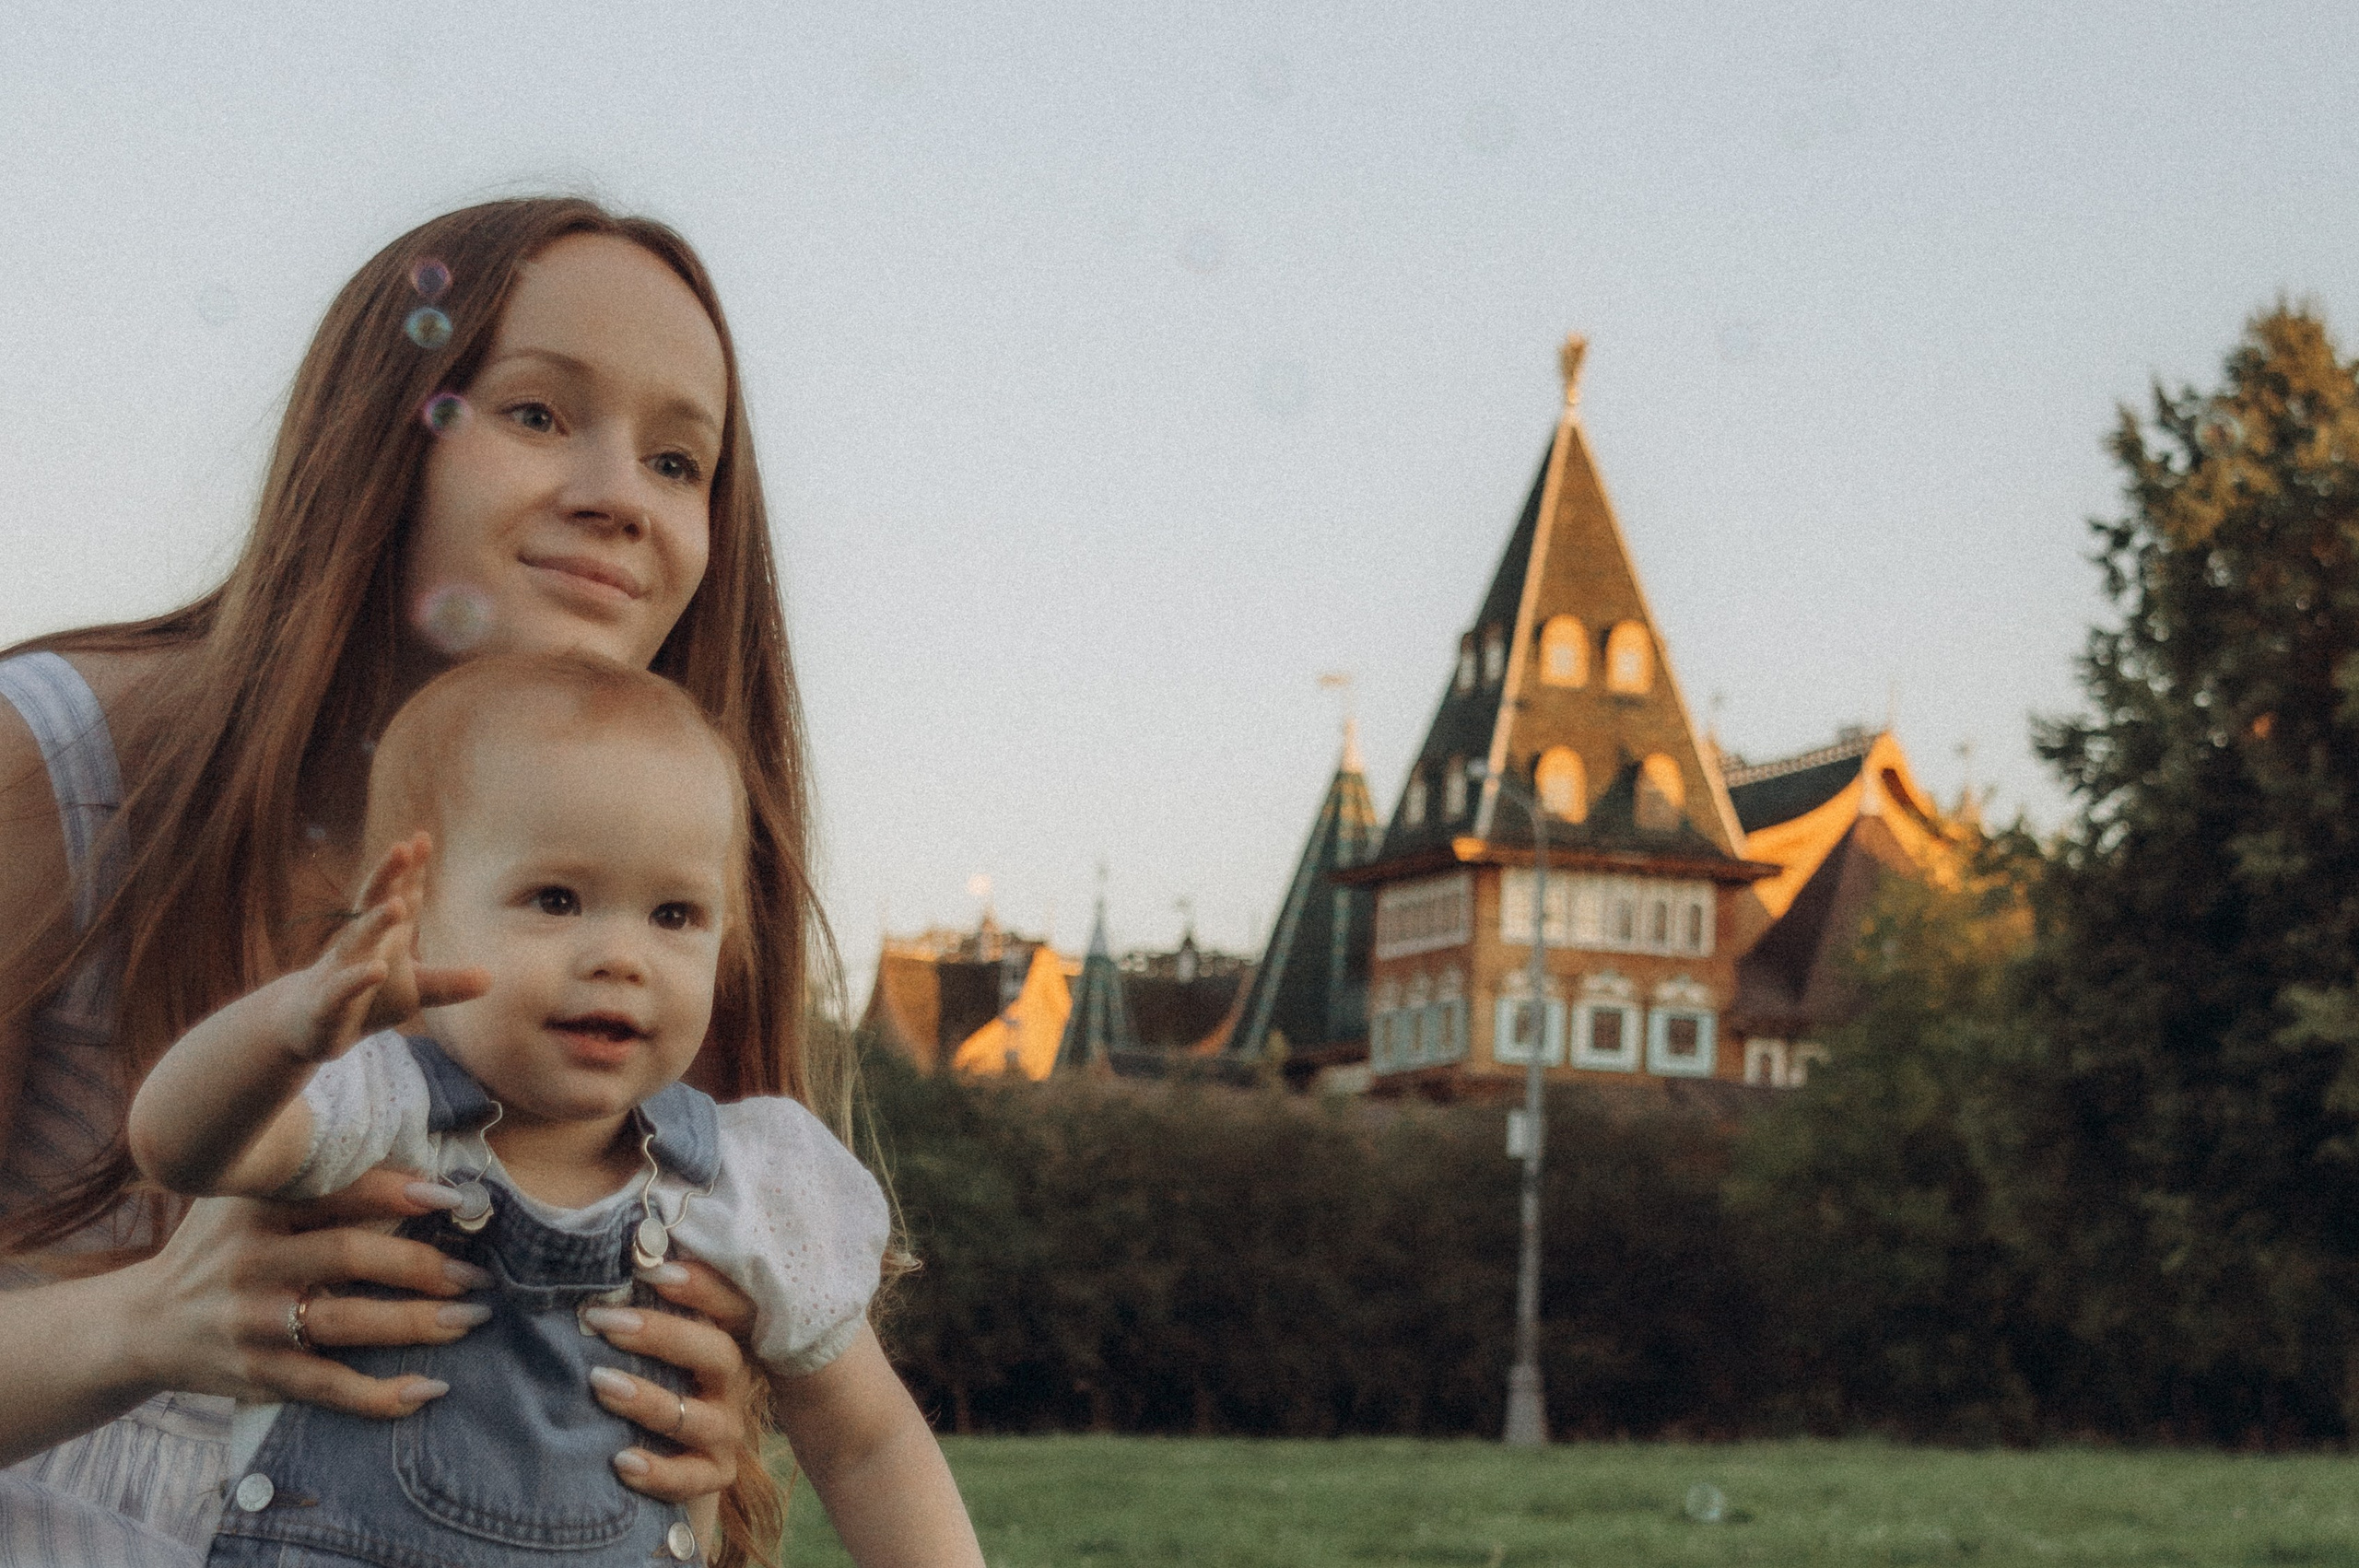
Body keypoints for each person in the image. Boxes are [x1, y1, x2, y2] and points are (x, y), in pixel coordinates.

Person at [0, 198, 979, 1568]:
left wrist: (673, 1454)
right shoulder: (65, 762)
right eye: (535, 414)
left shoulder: (651, 922)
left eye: (679, 459)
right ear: (381, 436)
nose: (619, 496)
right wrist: (143, 1322)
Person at [126, 651, 963, 1568]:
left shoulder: (747, 1182)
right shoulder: (381, 1112)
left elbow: (865, 1443)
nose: (621, 955)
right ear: (417, 917)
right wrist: (283, 1032)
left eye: (674, 915)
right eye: (556, 898)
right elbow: (179, 1147)